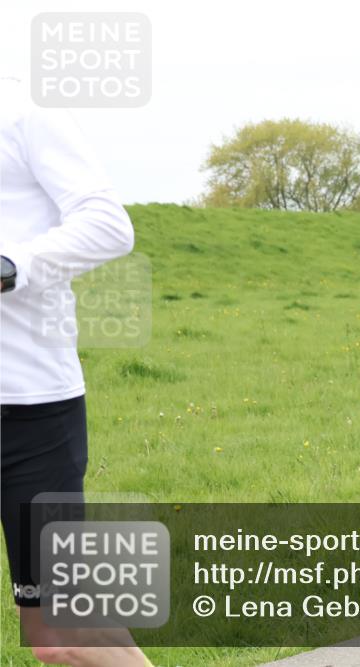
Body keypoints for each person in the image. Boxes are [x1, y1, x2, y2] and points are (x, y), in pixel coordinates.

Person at [0, 77, 154, 666]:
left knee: (64, 634)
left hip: (30, 411)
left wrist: (18, 263)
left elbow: (108, 223)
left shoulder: (27, 114)